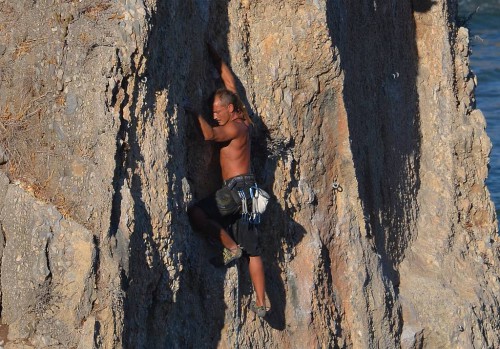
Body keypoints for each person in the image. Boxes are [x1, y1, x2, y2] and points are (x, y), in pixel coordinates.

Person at [186, 48, 267, 318]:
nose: (215, 114)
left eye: (218, 110)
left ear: (230, 109)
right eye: (212, 111)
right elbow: (231, 85)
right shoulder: (244, 120)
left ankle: (230, 248)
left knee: (198, 213)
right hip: (252, 192)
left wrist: (193, 111)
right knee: (254, 251)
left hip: (235, 192)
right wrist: (217, 58)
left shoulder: (232, 127)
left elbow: (209, 135)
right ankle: (261, 300)